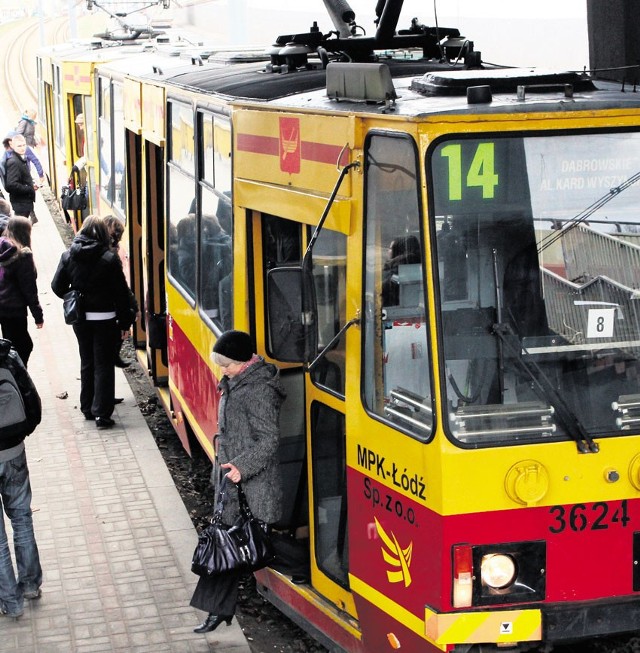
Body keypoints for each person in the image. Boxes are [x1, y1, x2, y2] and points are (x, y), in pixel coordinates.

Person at [191, 330, 285, 634]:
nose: (222, 370)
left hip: (250, 483)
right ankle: (217, 610)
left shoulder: (257, 390)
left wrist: (242, 468)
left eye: (227, 365)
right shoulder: (237, 381)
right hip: (234, 478)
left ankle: (217, 611)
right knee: (234, 543)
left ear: (244, 362)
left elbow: (269, 439)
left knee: (234, 544)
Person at [50, 216, 133, 428]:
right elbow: (121, 294)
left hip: (80, 319)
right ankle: (102, 414)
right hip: (105, 318)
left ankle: (87, 407)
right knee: (103, 364)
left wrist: (75, 295)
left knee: (86, 361)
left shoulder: (68, 255)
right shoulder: (108, 258)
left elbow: (57, 287)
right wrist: (125, 321)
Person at [0, 337, 43, 618]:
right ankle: (30, 586)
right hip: (13, 451)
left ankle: (11, 603)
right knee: (22, 517)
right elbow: (30, 399)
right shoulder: (6, 356)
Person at [0, 217, 44, 367]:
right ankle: (18, 381)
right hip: (14, 309)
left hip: (3, 307)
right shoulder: (22, 255)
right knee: (23, 346)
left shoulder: (2, 247)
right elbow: (29, 289)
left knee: (10, 345)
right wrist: (38, 316)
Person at [103, 215, 138, 368]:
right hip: (108, 305)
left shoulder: (107, 249)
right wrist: (134, 306)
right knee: (126, 317)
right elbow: (121, 286)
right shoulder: (110, 255)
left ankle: (114, 354)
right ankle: (113, 354)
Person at [4, 135, 38, 220]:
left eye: (24, 145)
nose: (22, 148)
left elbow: (21, 178)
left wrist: (31, 184)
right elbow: (11, 184)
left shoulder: (20, 158)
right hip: (20, 202)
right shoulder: (14, 162)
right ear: (12, 146)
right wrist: (29, 189)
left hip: (23, 201)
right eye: (19, 146)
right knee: (21, 229)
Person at [381, 234, 421, 306]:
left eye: (390, 248)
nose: (388, 251)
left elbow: (381, 290)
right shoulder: (420, 267)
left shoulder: (394, 270)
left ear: (397, 251)